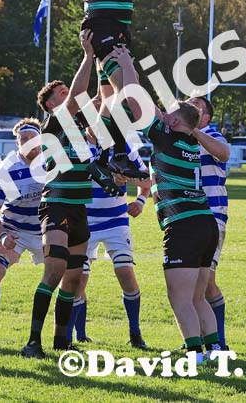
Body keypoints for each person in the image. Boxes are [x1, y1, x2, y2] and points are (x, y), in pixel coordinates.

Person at [113, 47, 223, 360]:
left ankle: (194, 353)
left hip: (184, 225)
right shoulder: (189, 141)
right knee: (198, 296)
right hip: (204, 222)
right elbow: (158, 179)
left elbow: (135, 99)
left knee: (179, 296)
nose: (163, 113)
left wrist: (125, 63)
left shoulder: (167, 136)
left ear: (174, 121)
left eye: (169, 112)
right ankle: (214, 349)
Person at [39, 0, 144, 181]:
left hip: (121, 29)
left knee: (108, 99)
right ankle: (119, 153)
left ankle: (100, 156)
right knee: (128, 90)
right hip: (99, 26)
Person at [21, 31, 96, 358]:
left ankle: (61, 340)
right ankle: (32, 342)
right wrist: (89, 54)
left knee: (73, 278)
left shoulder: (82, 126)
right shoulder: (54, 122)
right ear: (52, 104)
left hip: (79, 206)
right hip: (56, 204)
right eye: (62, 93)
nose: (71, 94)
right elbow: (81, 91)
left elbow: (99, 96)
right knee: (53, 272)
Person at [68, 143, 151, 350]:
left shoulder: (123, 147)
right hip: (84, 221)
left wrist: (139, 200)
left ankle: (135, 333)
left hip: (116, 222)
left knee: (126, 275)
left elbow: (147, 180)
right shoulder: (75, 146)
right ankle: (71, 336)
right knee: (78, 281)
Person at [0, 118, 46, 343]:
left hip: (47, 230)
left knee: (73, 278)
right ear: (17, 143)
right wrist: (3, 235)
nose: (28, 143)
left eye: (32, 139)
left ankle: (72, 335)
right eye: (23, 139)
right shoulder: (7, 170)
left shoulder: (52, 164)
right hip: (14, 228)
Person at [188, 96, 232, 351]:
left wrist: (194, 131)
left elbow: (224, 153)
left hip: (212, 215)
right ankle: (198, 340)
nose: (189, 110)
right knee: (189, 283)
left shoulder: (212, 135)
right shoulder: (181, 139)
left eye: (195, 108)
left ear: (205, 117)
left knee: (206, 282)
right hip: (186, 218)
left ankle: (218, 343)